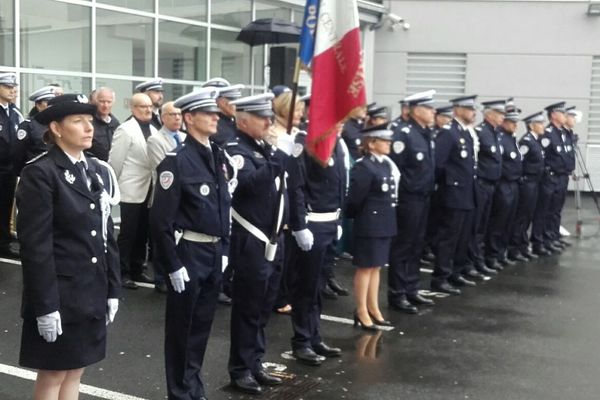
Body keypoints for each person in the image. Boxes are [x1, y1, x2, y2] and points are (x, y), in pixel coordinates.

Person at [16, 93, 121, 400]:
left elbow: (106, 234)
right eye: (78, 121)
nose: (89, 127)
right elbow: (36, 247)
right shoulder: (40, 173)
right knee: (53, 373)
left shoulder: (96, 170)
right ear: (57, 128)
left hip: (91, 288)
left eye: (89, 121)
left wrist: (113, 287)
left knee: (77, 369)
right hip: (60, 293)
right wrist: (46, 306)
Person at [150, 88, 234, 400]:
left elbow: (224, 207)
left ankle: (193, 385)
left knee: (200, 328)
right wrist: (171, 265)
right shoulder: (177, 162)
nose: (216, 117)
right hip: (189, 253)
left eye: (216, 112)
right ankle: (180, 392)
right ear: (188, 118)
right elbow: (160, 222)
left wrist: (224, 250)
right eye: (208, 113)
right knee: (182, 330)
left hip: (213, 252)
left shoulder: (217, 157)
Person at [226, 93, 295, 395]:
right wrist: (278, 158)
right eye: (262, 117)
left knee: (264, 307)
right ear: (243, 120)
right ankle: (240, 369)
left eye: (270, 116)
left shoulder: (264, 148)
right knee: (248, 308)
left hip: (273, 239)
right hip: (251, 240)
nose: (269, 122)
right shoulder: (236, 149)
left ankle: (255, 362)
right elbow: (247, 185)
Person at [286, 121, 346, 365]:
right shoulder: (305, 141)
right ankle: (301, 340)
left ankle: (314, 335)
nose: (340, 125)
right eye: (337, 120)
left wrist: (339, 217)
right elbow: (297, 187)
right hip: (313, 224)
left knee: (319, 287)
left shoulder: (336, 143)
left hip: (330, 223)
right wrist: (300, 225)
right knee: (306, 286)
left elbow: (341, 183)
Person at [388, 90, 436, 314]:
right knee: (403, 246)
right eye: (428, 108)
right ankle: (397, 293)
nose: (433, 112)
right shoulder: (403, 134)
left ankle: (411, 287)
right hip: (408, 199)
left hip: (424, 197)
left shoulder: (426, 133)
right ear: (416, 110)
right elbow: (395, 168)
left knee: (417, 244)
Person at [346, 123, 398, 330]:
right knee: (366, 268)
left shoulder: (384, 164)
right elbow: (355, 199)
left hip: (384, 221)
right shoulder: (364, 166)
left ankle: (373, 307)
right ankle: (361, 310)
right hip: (369, 223)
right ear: (372, 142)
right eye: (385, 141)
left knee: (376, 267)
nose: (389, 144)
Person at [109, 93, 158, 289]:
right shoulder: (125, 130)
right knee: (128, 232)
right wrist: (114, 186)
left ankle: (138, 268)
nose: (148, 110)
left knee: (143, 231)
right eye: (142, 106)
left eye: (150, 106)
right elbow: (115, 161)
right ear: (132, 108)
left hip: (149, 188)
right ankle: (122, 271)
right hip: (131, 187)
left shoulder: (154, 129)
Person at [431, 95, 478, 295]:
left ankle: (455, 272)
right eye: (469, 109)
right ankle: (440, 277)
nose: (473, 113)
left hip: (466, 192)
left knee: (461, 235)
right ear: (457, 110)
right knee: (448, 237)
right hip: (452, 193)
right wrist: (449, 185)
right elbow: (439, 164)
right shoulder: (448, 133)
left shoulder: (464, 133)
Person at [147, 101, 186, 294]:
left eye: (179, 114)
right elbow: (163, 168)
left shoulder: (185, 138)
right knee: (162, 236)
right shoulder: (156, 140)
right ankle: (160, 277)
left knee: (178, 237)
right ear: (163, 118)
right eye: (172, 114)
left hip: (184, 198)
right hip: (165, 195)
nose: (177, 117)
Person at [471, 100, 506, 275]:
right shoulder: (481, 132)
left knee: (485, 225)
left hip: (492, 184)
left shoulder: (496, 133)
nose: (503, 117)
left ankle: (479, 259)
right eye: (499, 113)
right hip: (481, 184)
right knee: (476, 226)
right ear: (489, 114)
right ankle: (474, 261)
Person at [485, 105, 523, 266]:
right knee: (498, 221)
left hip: (513, 184)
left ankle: (501, 252)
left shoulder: (511, 137)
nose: (515, 125)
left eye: (516, 122)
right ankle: (492, 254)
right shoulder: (500, 137)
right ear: (504, 122)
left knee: (508, 221)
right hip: (503, 184)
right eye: (512, 122)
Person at [507, 111, 546, 261]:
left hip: (535, 183)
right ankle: (514, 248)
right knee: (521, 217)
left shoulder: (536, 141)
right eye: (540, 123)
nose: (543, 126)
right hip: (527, 183)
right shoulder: (527, 142)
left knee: (528, 216)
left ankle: (523, 246)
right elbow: (520, 161)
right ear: (531, 126)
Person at [531, 102, 568, 256]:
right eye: (562, 113)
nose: (565, 116)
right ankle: (539, 242)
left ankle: (550, 238)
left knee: (554, 210)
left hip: (561, 177)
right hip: (550, 178)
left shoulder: (561, 133)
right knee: (543, 211)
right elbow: (542, 156)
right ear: (553, 115)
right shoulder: (548, 134)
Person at [0, 72, 24, 259]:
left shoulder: (15, 113)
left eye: (14, 87)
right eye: (8, 87)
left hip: (9, 170)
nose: (13, 90)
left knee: (6, 205)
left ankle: (5, 239)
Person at [13, 86, 57, 176]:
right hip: (36, 172)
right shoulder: (28, 125)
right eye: (47, 102)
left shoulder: (58, 124)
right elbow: (19, 154)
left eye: (52, 102)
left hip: (57, 171)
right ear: (38, 105)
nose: (50, 105)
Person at [202, 77, 244, 146]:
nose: (235, 104)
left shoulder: (234, 122)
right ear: (217, 101)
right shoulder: (214, 126)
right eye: (231, 99)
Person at [88, 87, 120, 161]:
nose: (105, 105)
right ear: (95, 102)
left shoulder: (115, 123)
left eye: (109, 102)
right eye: (102, 101)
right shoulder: (89, 122)